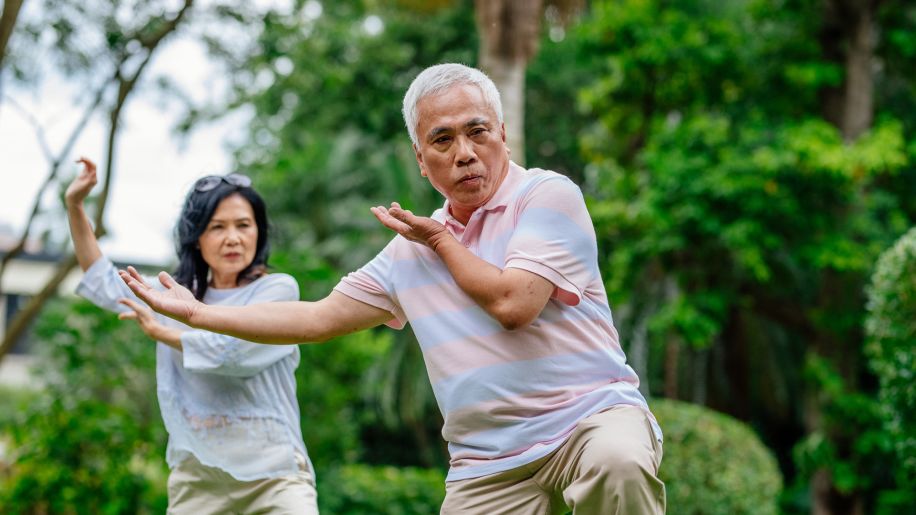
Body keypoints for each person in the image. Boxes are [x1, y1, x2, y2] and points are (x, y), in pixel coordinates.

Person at [120, 63, 666, 514]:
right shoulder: (410, 251)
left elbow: (513, 304)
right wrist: (198, 316)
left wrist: (444, 242)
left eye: (477, 131)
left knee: (618, 462)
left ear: (502, 134)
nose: (464, 152)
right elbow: (316, 319)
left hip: (589, 422)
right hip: (488, 462)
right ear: (421, 160)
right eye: (442, 140)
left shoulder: (546, 197)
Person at [65, 158, 318, 514]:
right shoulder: (173, 294)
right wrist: (75, 206)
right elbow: (104, 281)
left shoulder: (277, 290)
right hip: (198, 479)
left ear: (258, 232)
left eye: (244, 225)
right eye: (217, 227)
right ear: (197, 237)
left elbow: (234, 356)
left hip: (274, 477)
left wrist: (163, 333)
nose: (233, 238)